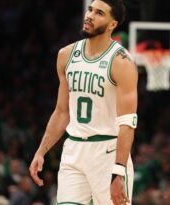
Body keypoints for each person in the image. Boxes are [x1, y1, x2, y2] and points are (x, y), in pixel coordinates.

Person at [29, 0, 138, 205]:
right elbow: (62, 112)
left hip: (107, 151)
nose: (89, 16)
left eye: (99, 13)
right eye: (90, 10)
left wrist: (119, 172)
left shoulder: (122, 62)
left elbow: (127, 123)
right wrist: (41, 151)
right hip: (73, 150)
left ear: (112, 24)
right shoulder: (66, 55)